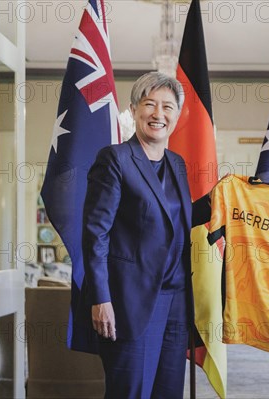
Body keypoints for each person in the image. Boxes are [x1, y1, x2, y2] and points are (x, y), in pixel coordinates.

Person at [81, 72, 192, 398]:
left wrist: (228, 198)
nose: (159, 114)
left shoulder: (178, 163)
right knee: (130, 392)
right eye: (150, 104)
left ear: (176, 116)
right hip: (131, 302)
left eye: (168, 107)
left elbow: (178, 219)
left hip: (177, 300)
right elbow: (95, 234)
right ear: (133, 110)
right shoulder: (115, 159)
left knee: (168, 391)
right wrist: (101, 298)